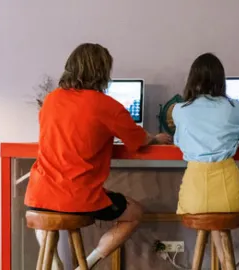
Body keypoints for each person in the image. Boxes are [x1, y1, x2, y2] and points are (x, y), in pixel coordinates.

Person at [24, 43, 172, 270]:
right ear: (102, 72)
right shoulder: (106, 105)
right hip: (78, 197)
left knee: (44, 218)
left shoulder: (51, 100)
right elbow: (139, 141)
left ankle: (55, 266)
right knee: (134, 213)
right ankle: (86, 265)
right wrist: (156, 138)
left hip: (39, 194)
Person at [172, 53, 239, 263]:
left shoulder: (180, 111)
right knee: (218, 216)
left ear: (192, 79)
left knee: (210, 213)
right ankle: (226, 265)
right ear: (221, 80)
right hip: (229, 194)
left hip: (193, 196)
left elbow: (180, 142)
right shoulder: (234, 108)